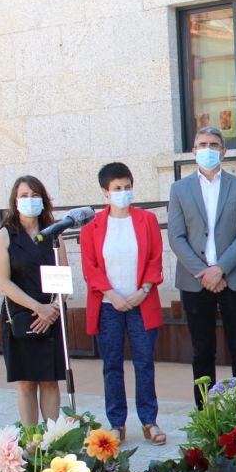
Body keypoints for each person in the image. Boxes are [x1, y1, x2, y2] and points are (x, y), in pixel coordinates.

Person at [167, 126, 236, 408]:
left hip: (233, 279)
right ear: (193, 152)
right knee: (202, 350)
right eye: (202, 144)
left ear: (224, 151)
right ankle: (205, 411)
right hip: (196, 281)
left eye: (214, 144)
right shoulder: (179, 189)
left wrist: (221, 269)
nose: (208, 149)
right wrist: (205, 271)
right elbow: (176, 236)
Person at [79, 163, 165, 444]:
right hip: (109, 306)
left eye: (128, 187)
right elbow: (90, 268)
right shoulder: (92, 228)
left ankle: (149, 421)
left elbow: (155, 258)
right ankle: (116, 423)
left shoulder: (147, 220)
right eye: (117, 189)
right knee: (112, 365)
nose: (124, 193)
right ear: (105, 192)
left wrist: (144, 290)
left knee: (144, 363)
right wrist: (112, 294)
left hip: (141, 302)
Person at [0, 176, 66, 426]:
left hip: (52, 316)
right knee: (26, 381)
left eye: (35, 195)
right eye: (24, 196)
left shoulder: (54, 234)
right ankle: (30, 440)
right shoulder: (5, 236)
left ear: (43, 199)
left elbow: (63, 278)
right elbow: (4, 282)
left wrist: (52, 310)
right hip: (20, 315)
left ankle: (53, 440)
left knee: (49, 380)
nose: (30, 200)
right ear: (15, 200)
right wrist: (37, 308)